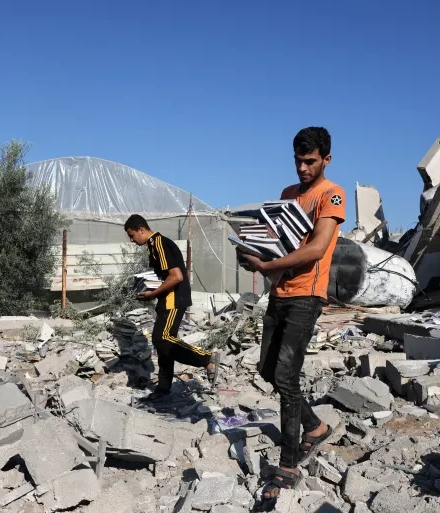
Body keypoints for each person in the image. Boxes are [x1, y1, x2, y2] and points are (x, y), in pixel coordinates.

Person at [238, 127, 345, 499]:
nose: (302, 167)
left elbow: (316, 249)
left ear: (325, 160)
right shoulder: (287, 196)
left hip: (307, 295)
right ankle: (314, 428)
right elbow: (272, 242)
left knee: (286, 373)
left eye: (310, 161)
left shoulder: (331, 195)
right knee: (268, 369)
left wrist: (268, 267)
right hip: (279, 293)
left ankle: (288, 464)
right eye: (298, 160)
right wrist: (250, 253)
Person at [124, 215, 218, 400]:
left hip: (174, 298)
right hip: (166, 299)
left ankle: (206, 358)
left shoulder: (159, 243)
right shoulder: (153, 245)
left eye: (132, 235)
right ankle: (163, 388)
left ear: (141, 229)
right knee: (162, 343)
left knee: (163, 338)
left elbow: (176, 276)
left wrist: (153, 293)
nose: (132, 240)